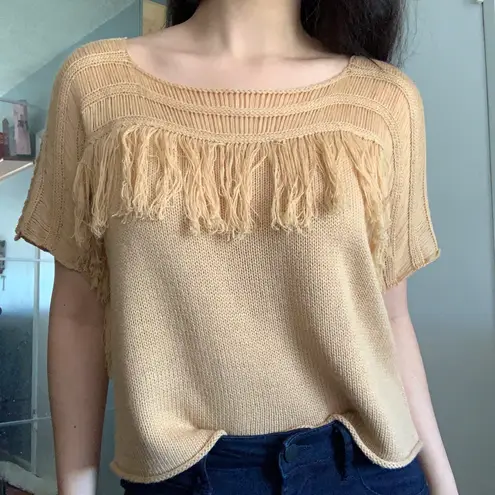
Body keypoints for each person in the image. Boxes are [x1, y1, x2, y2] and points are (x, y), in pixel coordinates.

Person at [16, 0, 459, 493]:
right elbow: (79, 316)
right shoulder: (96, 83)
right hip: (182, 474)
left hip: (364, 467)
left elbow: (391, 319)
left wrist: (445, 484)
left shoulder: (384, 99)